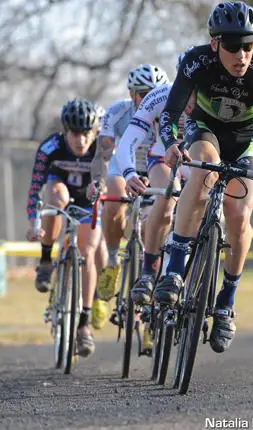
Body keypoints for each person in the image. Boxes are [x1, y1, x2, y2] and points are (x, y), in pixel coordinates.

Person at [154, 1, 253, 353]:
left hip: (247, 140)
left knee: (239, 214)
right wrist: (170, 144)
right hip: (205, 131)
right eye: (233, 46)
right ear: (215, 43)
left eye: (249, 45)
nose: (242, 54)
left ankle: (226, 301)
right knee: (202, 171)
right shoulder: (197, 61)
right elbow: (171, 113)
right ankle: (173, 269)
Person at [112, 49, 197, 306]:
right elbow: (128, 140)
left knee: (206, 214)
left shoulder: (216, 98)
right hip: (163, 158)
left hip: (199, 161)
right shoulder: (161, 95)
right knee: (168, 195)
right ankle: (149, 271)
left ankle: (195, 283)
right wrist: (127, 173)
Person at [90, 64, 170, 329]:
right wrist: (96, 181)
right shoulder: (117, 112)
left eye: (153, 93)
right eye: (143, 93)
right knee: (113, 194)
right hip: (123, 167)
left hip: (155, 168)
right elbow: (103, 155)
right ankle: (112, 261)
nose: (148, 98)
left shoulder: (168, 110)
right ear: (132, 94)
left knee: (154, 225)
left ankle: (152, 314)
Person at [25, 98, 105, 357]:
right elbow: (35, 187)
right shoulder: (51, 147)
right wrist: (33, 222)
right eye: (75, 134)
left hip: (89, 200)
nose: (81, 141)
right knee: (55, 197)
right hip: (59, 192)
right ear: (65, 131)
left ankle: (84, 324)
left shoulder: (103, 148)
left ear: (94, 131)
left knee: (87, 252)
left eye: (86, 134)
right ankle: (46, 260)